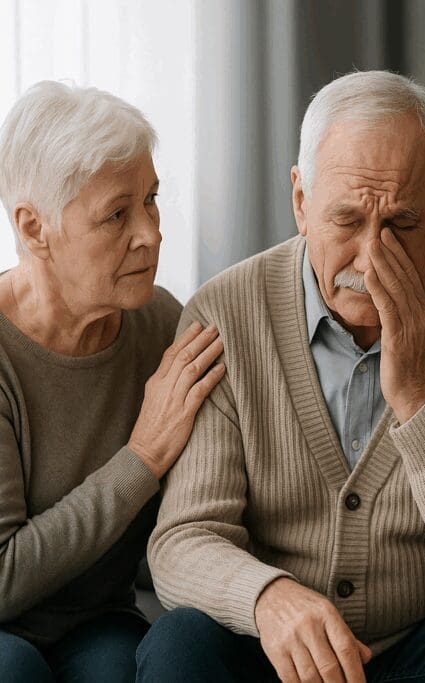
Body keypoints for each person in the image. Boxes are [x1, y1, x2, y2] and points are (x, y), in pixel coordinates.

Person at [136, 70, 425, 683]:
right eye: (346, 220)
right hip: (275, 652)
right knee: (178, 643)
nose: (371, 258)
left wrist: (418, 397)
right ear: (300, 202)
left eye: (403, 224)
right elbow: (182, 540)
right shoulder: (226, 312)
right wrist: (268, 598)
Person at [0, 82, 225, 681]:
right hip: (3, 626)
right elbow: (2, 577)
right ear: (34, 228)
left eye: (151, 200)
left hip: (99, 620)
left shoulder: (163, 325)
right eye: (117, 214)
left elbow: (188, 514)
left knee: (122, 667)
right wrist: (142, 458)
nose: (150, 233)